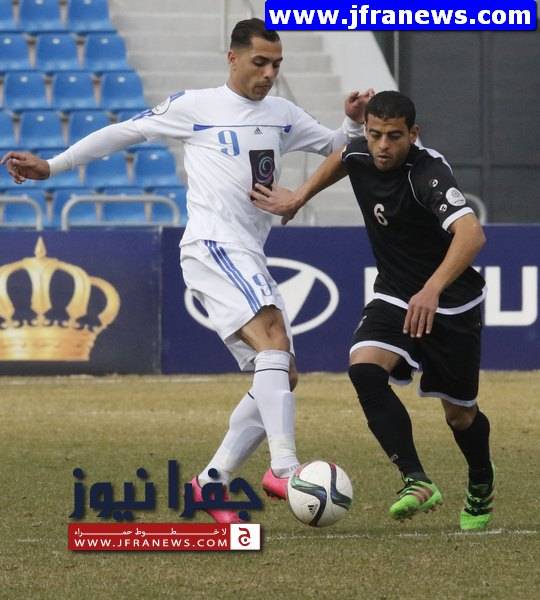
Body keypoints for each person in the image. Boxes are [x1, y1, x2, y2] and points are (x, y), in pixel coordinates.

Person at [1, 18, 372, 524]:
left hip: (249, 251)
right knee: (272, 340)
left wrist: (351, 123)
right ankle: (285, 468)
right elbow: (124, 132)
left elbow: (335, 149)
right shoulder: (196, 106)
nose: (268, 74)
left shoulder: (282, 114)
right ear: (233, 58)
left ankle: (209, 484)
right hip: (212, 245)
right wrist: (54, 165)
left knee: (281, 374)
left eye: (276, 65)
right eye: (260, 62)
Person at [250, 91, 495, 531]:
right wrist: (299, 196)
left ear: (413, 134)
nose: (382, 146)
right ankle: (416, 479)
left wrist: (432, 289)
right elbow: (343, 157)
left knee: (460, 415)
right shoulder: (362, 151)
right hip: (396, 292)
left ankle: (481, 480)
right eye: (375, 134)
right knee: (364, 369)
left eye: (394, 136)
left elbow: (471, 234)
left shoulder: (428, 173)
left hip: (451, 302)